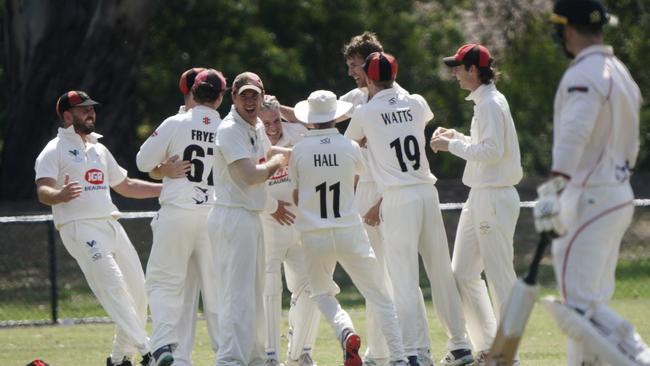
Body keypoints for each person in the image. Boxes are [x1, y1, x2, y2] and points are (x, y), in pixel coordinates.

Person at [536, 1, 650, 365]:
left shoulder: (584, 74)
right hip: (616, 192)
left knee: (576, 309)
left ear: (567, 29)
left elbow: (574, 133)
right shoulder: (621, 72)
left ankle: (638, 355)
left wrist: (555, 187)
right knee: (590, 304)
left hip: (589, 196)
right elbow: (632, 143)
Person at [346, 53, 475, 366]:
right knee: (440, 272)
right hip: (426, 192)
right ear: (396, 72)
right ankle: (460, 346)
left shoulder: (367, 111)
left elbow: (350, 143)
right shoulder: (416, 102)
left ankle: (416, 352)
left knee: (404, 278)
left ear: (368, 77)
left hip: (398, 197)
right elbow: (411, 118)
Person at [34, 91, 162, 366]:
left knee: (139, 292)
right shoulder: (53, 149)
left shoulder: (99, 149)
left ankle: (118, 359)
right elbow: (43, 190)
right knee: (114, 288)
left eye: (91, 109)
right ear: (67, 116)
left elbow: (126, 186)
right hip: (79, 228)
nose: (90, 113)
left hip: (109, 223)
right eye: (83, 110)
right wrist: (59, 195)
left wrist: (168, 189)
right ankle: (149, 352)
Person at [290, 90, 408, 366]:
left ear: (310, 119)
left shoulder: (299, 149)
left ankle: (345, 331)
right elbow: (359, 177)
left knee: (321, 293)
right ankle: (400, 359)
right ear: (336, 116)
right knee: (379, 296)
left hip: (314, 234)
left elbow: (297, 195)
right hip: (348, 230)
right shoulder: (349, 147)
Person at [430, 44, 522, 364]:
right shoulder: (484, 102)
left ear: (473, 69)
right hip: (481, 193)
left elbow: (493, 153)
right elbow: (486, 148)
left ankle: (508, 355)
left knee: (500, 277)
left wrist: (452, 144)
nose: (454, 72)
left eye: (458, 66)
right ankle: (487, 347)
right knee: (463, 272)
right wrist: (457, 136)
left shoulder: (490, 104)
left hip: (495, 195)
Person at [136, 68, 226, 366]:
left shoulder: (175, 122)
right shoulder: (228, 127)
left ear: (192, 93)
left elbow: (142, 161)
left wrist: (162, 169)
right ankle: (228, 355)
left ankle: (162, 346)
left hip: (177, 212)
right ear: (221, 97)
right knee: (216, 291)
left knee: (163, 283)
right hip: (213, 215)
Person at [208, 71, 289, 366]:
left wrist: (313, 148)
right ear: (233, 97)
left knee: (255, 292)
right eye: (244, 96)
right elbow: (251, 175)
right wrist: (278, 162)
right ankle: (230, 359)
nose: (251, 101)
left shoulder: (253, 126)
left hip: (249, 217)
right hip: (232, 217)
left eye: (255, 95)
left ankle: (254, 357)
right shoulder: (230, 128)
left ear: (263, 95)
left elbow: (274, 152)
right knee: (236, 293)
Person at [259, 95, 321, 366]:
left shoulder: (296, 132)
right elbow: (239, 181)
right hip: (268, 225)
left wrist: (278, 106)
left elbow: (316, 121)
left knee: (312, 285)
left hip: (299, 222)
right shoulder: (249, 138)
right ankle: (269, 355)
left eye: (276, 121)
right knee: (270, 287)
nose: (273, 128)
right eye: (267, 123)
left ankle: (300, 352)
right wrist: (272, 206)